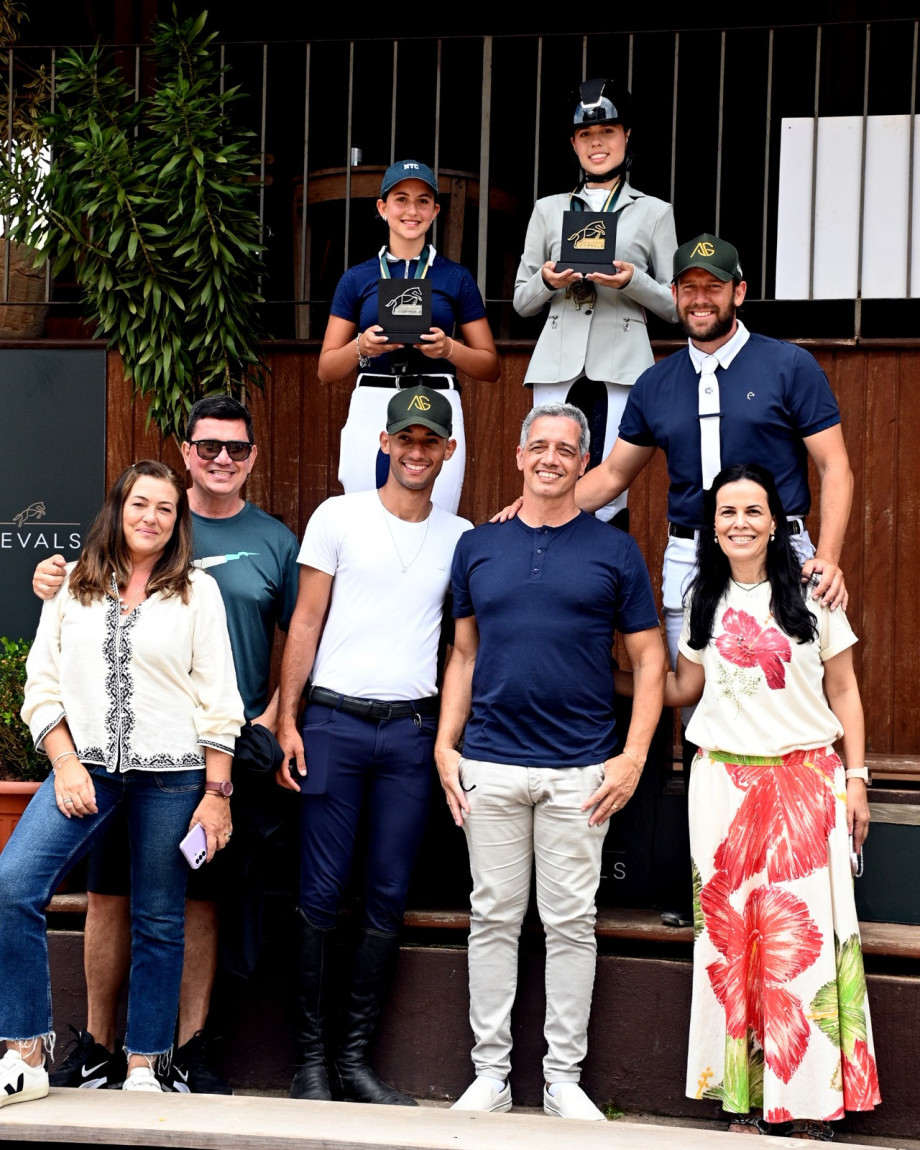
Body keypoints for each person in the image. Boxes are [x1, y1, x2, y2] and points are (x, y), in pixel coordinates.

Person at [31, 395, 300, 1094]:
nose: (221, 458)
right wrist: (50, 581)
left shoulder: (266, 544)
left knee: (186, 904)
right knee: (100, 895)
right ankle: (93, 1047)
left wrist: (267, 730)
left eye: (235, 448)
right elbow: (51, 665)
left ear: (251, 458)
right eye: (208, 446)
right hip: (105, 762)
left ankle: (173, 1054)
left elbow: (298, 636)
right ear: (186, 454)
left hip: (203, 759)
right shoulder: (91, 569)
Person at [621, 463, 879, 1138]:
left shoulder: (816, 594)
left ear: (775, 523)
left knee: (805, 948)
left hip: (805, 786)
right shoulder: (702, 599)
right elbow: (684, 689)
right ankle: (742, 1099)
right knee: (732, 946)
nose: (740, 523)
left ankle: (812, 1102)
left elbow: (845, 691)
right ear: (712, 526)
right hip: (722, 791)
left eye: (753, 511)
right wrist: (603, 673)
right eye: (727, 512)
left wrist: (857, 780)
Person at [435, 403, 666, 1121]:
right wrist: (445, 744)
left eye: (566, 449)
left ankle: (563, 1079)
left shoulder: (614, 551)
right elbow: (464, 654)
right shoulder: (477, 547)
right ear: (518, 455)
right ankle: (491, 1077)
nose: (551, 459)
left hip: (580, 772)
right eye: (539, 446)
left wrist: (632, 757)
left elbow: (649, 660)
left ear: (583, 463)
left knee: (571, 926)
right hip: (492, 764)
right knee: (491, 920)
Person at [0, 461, 244, 1105]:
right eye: (140, 504)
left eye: (165, 508)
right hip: (86, 771)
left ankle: (144, 1066)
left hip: (174, 776)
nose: (151, 518)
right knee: (11, 884)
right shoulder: (72, 583)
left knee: (160, 918)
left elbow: (219, 700)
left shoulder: (198, 592)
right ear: (118, 507)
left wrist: (216, 795)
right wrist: (64, 762)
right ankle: (24, 1052)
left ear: (178, 520)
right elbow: (41, 685)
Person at [276, 384, 472, 1106]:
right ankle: (310, 1065)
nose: (417, 452)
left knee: (388, 896)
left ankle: (354, 1062)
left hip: (411, 734)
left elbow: (465, 646)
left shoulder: (462, 536)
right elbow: (304, 621)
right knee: (320, 893)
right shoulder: (338, 516)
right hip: (334, 722)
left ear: (448, 450)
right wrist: (288, 719)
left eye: (430, 441)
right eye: (405, 439)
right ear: (383, 443)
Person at [571, 233, 853, 669]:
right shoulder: (654, 383)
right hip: (690, 554)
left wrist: (828, 557)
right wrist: (538, 506)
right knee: (692, 695)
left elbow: (834, 466)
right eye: (689, 288)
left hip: (780, 549)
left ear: (738, 292)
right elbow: (612, 475)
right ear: (674, 295)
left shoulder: (791, 366)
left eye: (713, 287)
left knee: (783, 689)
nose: (700, 300)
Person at [513, 78, 678, 528]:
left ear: (626, 136)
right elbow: (522, 301)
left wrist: (633, 280)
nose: (597, 142)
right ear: (573, 143)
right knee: (547, 472)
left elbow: (675, 304)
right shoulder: (548, 209)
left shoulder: (654, 211)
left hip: (622, 364)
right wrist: (547, 280)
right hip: (557, 362)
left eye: (607, 131)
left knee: (608, 492)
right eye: (586, 134)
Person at [319, 158, 500, 513]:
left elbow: (490, 366)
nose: (412, 210)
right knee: (360, 512)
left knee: (437, 512)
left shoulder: (456, 277)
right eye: (401, 199)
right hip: (372, 395)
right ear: (382, 208)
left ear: (435, 211)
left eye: (422, 201)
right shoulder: (357, 277)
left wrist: (448, 348)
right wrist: (361, 346)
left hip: (437, 395)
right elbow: (326, 369)